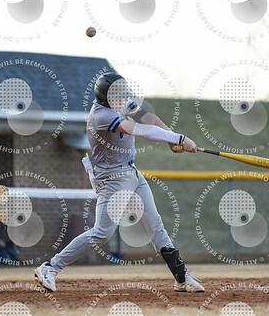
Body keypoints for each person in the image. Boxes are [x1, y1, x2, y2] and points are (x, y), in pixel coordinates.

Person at [34, 72, 204, 293]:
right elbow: (139, 130)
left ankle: (181, 278)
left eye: (123, 95)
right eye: (116, 96)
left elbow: (147, 119)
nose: (122, 100)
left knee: (155, 225)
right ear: (104, 97)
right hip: (112, 179)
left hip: (132, 173)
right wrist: (179, 138)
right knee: (102, 233)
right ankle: (50, 267)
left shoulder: (121, 103)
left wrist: (170, 137)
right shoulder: (101, 116)